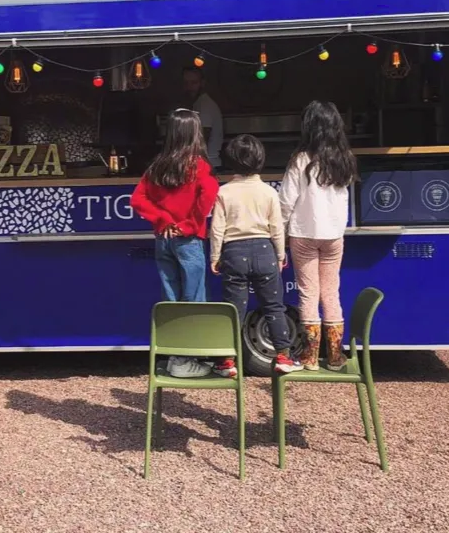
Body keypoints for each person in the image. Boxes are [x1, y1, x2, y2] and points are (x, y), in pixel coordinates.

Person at [131, 108, 220, 378]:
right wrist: (188, 225)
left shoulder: (157, 166)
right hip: (188, 240)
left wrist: (163, 220)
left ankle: (173, 356)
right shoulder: (199, 166)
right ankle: (185, 360)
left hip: (164, 239)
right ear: (195, 134)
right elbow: (209, 194)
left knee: (170, 299)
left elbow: (137, 199)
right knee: (193, 300)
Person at [210, 134, 303, 378]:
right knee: (274, 306)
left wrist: (215, 256)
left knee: (234, 310)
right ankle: (283, 357)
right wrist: (281, 255)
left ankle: (227, 362)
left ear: (230, 161)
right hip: (265, 251)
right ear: (261, 159)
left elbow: (217, 229)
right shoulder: (269, 192)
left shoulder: (224, 192)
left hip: (233, 252)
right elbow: (276, 228)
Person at [279, 101, 357, 371]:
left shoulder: (301, 159)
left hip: (304, 234)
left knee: (308, 293)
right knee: (331, 292)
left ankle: (310, 356)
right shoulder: (344, 158)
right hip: (334, 235)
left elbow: (286, 201)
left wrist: (280, 232)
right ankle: (335, 356)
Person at [182, 67, 224, 169]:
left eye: (194, 83)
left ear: (202, 83)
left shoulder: (204, 104)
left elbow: (204, 136)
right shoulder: (199, 103)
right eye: (186, 83)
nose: (190, 87)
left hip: (209, 164)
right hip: (206, 163)